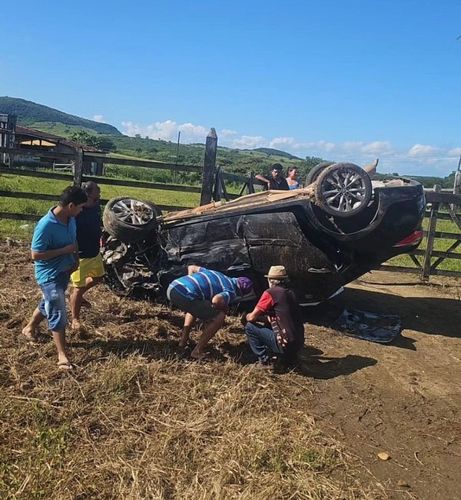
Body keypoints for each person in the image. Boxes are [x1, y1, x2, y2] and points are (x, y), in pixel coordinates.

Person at [22, 186, 88, 370]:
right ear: (71, 205)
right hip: (48, 275)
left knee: (49, 302)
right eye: (80, 207)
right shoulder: (46, 225)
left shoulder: (70, 218)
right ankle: (62, 355)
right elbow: (35, 255)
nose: (82, 210)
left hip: (64, 270)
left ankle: (29, 327)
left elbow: (73, 241)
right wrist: (64, 251)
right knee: (57, 309)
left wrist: (75, 259)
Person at [167, 265, 254, 360]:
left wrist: (191, 283)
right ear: (241, 293)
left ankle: (182, 342)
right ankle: (197, 351)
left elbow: (191, 267)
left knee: (196, 304)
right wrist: (224, 308)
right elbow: (216, 300)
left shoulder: (217, 273)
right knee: (220, 316)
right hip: (184, 295)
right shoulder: (231, 291)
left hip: (173, 287)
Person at [244, 265, 304, 366]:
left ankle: (265, 359)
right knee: (268, 325)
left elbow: (252, 317)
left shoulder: (271, 293)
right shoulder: (291, 293)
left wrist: (245, 316)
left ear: (270, 280)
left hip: (285, 344)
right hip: (298, 343)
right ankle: (288, 357)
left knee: (249, 327)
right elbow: (277, 318)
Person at [69, 181, 105, 334]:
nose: (98, 201)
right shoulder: (76, 213)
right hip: (81, 256)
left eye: (99, 199)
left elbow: (97, 222)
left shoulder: (95, 207)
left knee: (98, 277)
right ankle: (75, 319)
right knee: (78, 288)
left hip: (94, 252)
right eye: (96, 199)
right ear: (86, 197)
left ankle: (77, 295)